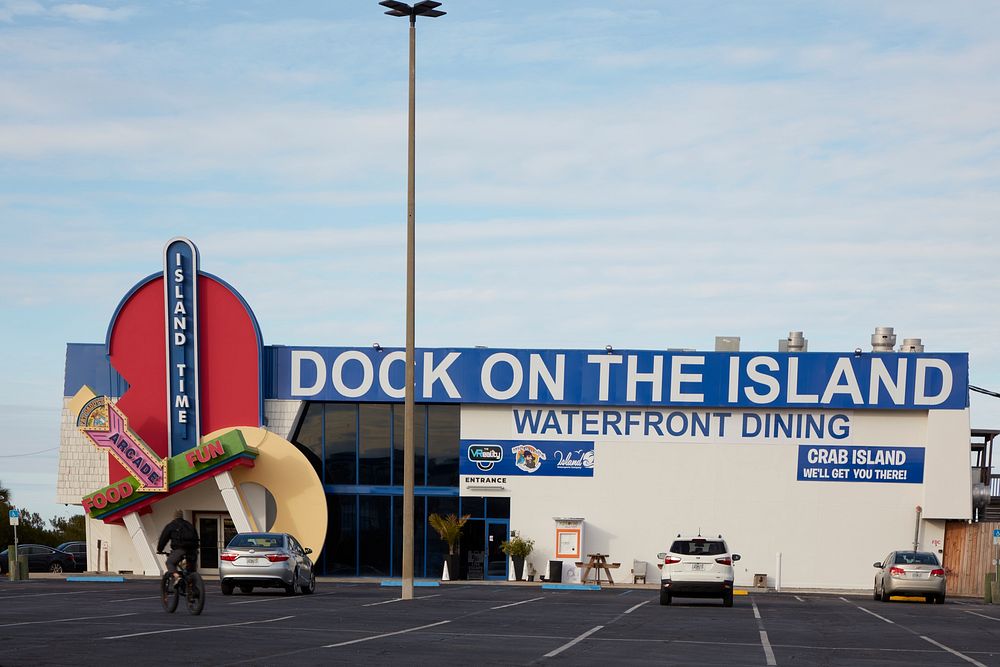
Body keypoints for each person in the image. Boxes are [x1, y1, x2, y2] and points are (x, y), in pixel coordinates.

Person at [157, 509, 199, 585]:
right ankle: (193, 586)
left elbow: (163, 539)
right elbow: (196, 537)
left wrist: (159, 549)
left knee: (170, 562)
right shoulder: (189, 525)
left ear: (174, 517)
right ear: (182, 516)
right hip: (193, 550)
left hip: (180, 549)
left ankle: (177, 577)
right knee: (191, 571)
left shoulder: (171, 525)